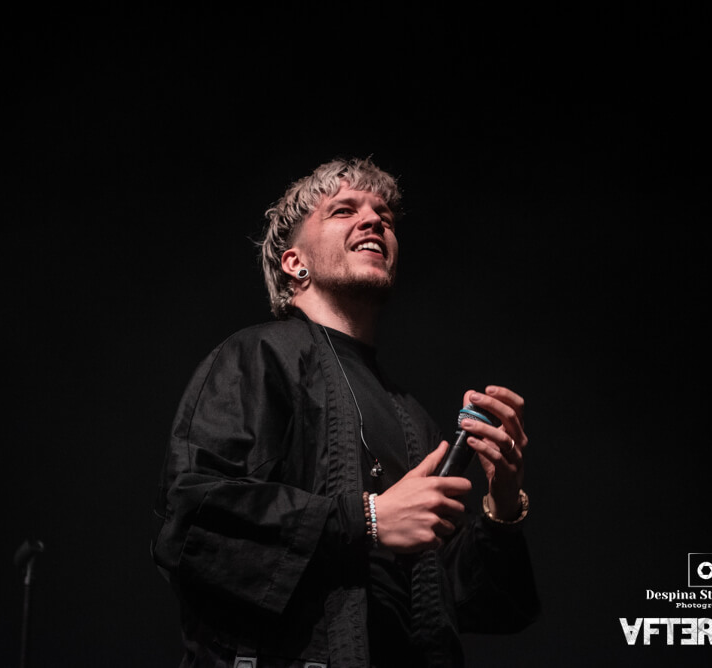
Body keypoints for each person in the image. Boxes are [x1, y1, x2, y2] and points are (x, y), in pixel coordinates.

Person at [153, 157, 539, 667]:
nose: (374, 220)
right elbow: (194, 523)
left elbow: (478, 605)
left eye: (385, 215)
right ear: (295, 263)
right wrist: (369, 518)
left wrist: (503, 506)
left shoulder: (412, 418)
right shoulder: (258, 357)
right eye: (343, 210)